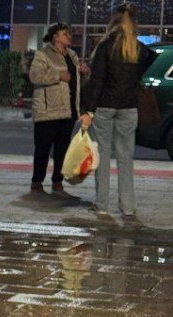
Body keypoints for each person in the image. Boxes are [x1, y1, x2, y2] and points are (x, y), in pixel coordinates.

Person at [79, 3, 157, 216]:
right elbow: (144, 68)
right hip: (129, 107)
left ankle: (102, 204)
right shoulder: (138, 48)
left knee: (102, 155)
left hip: (105, 106)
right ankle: (128, 207)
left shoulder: (106, 46)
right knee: (126, 157)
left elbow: (97, 81)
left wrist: (89, 110)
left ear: (113, 21)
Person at [28, 22, 89, 193]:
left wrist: (83, 73)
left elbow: (76, 81)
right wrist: (58, 75)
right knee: (43, 148)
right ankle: (37, 181)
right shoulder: (43, 54)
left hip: (68, 110)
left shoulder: (72, 55)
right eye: (65, 34)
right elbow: (35, 76)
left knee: (62, 149)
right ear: (55, 37)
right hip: (48, 111)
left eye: (68, 34)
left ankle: (57, 180)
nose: (69, 36)